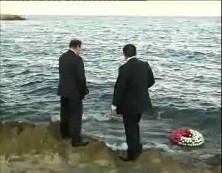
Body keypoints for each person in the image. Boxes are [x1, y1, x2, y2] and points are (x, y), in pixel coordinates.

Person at [111, 44, 155, 161]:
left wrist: (114, 104)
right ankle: (137, 146)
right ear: (136, 53)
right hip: (141, 102)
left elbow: (119, 88)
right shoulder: (145, 65)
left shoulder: (124, 68)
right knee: (135, 125)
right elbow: (151, 81)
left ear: (124, 54)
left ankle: (132, 154)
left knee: (130, 128)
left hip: (128, 104)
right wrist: (141, 89)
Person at [58, 39, 89, 147]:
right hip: (74, 92)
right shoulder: (78, 59)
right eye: (80, 48)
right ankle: (76, 140)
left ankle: (64, 134)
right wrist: (84, 91)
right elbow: (81, 78)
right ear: (77, 47)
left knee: (65, 114)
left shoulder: (62, 57)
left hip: (63, 91)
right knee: (76, 116)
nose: (80, 50)